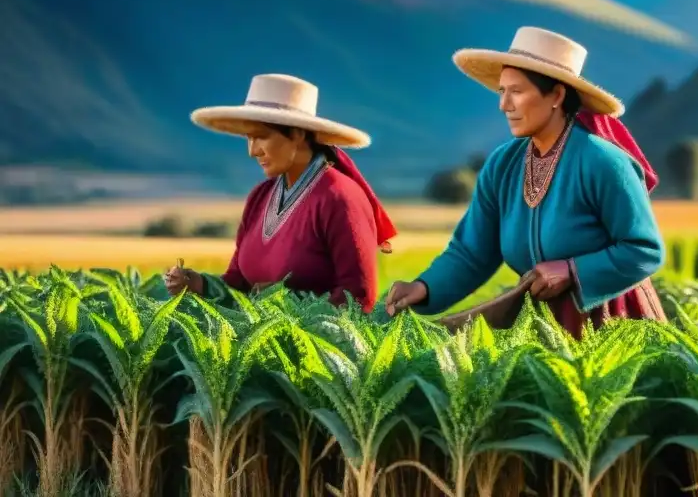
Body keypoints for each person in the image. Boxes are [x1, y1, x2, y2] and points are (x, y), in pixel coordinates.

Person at [385, 26, 667, 337]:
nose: (504, 105)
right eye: (501, 92)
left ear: (557, 95)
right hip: (539, 326)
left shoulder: (602, 162)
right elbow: (472, 252)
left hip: (612, 325)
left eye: (516, 92)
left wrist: (572, 270)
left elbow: (644, 250)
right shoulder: (502, 165)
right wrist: (424, 287)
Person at [163, 73, 397, 312]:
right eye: (248, 138)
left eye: (261, 137)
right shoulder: (260, 197)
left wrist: (284, 303)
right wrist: (198, 284)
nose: (253, 151)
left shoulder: (339, 197)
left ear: (297, 134)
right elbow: (239, 285)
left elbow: (358, 297)